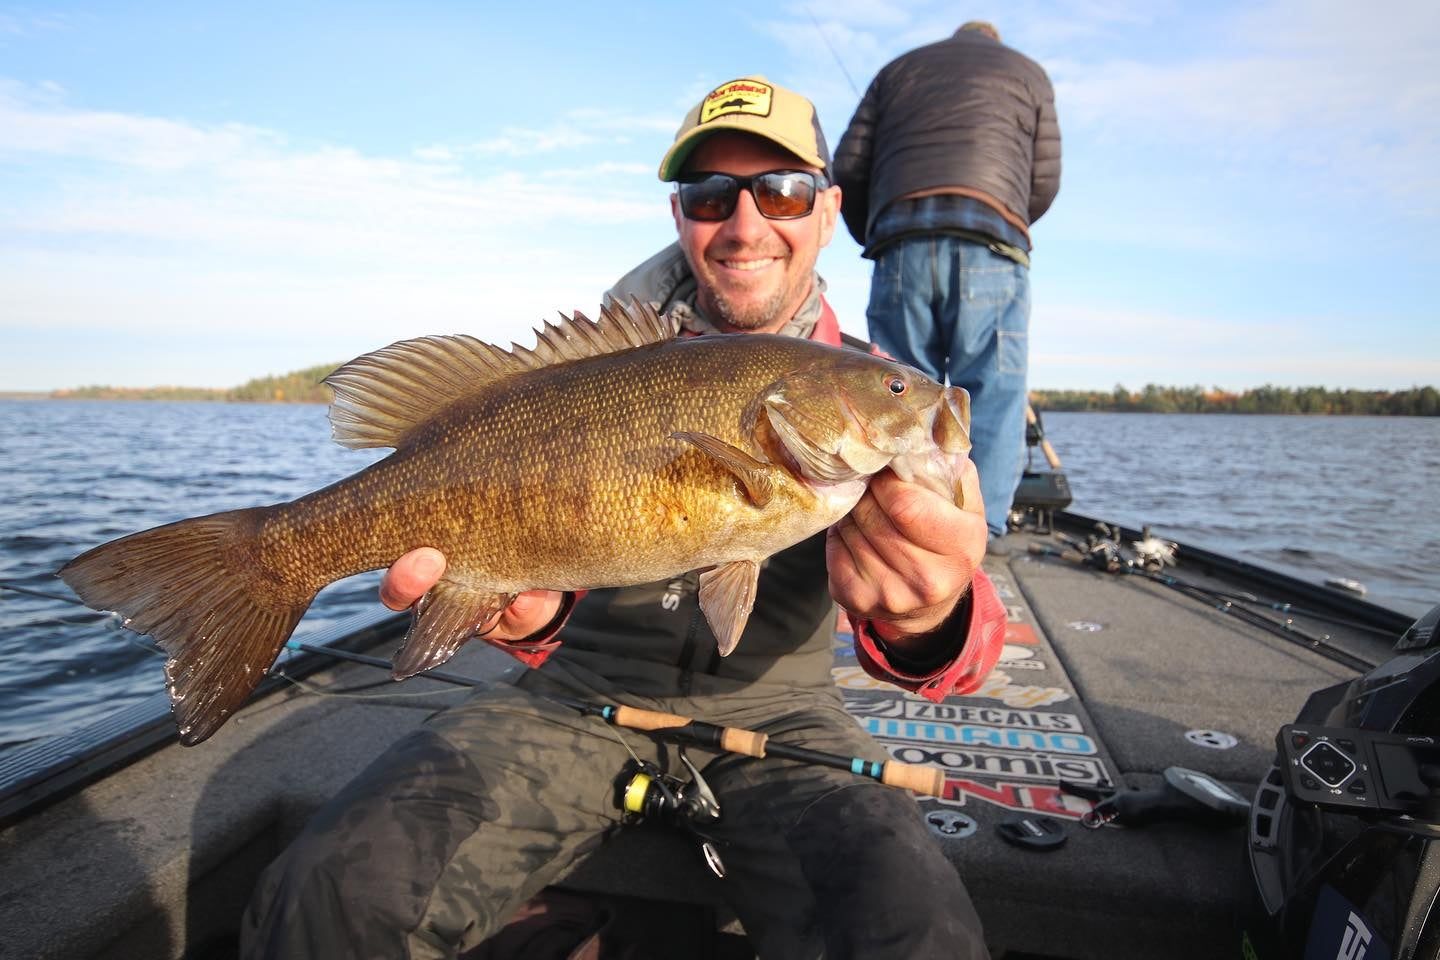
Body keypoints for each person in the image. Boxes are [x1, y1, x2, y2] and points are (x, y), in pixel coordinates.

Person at [240, 75, 1006, 960]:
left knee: (913, 933)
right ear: (682, 215)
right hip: (574, 698)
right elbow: (552, 594)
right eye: (712, 194)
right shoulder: (608, 370)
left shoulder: (877, 393)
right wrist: (535, 620)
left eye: (782, 190)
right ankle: (261, 564)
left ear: (828, 209)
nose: (746, 223)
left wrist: (930, 614)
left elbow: (968, 642)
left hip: (785, 718)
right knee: (330, 892)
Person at [833, 21, 1061, 539]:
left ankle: (897, 530)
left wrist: (876, 231)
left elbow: (848, 165)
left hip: (899, 249)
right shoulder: (1030, 75)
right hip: (992, 244)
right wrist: (1010, 221)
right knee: (994, 392)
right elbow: (1045, 178)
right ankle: (989, 534)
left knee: (891, 390)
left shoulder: (897, 70)